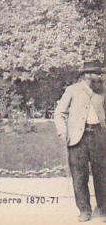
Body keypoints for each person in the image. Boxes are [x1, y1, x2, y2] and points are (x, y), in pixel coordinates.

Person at [54, 61, 106, 222]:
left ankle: (103, 208)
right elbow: (59, 112)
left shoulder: (103, 90)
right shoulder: (72, 90)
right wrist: (62, 131)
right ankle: (84, 210)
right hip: (77, 138)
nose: (100, 76)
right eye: (97, 73)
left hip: (99, 135)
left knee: (102, 174)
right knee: (79, 175)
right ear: (87, 75)